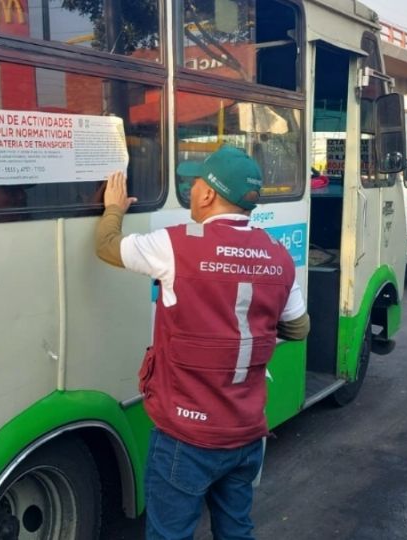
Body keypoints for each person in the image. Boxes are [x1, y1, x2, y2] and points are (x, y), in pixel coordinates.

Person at [94, 145, 310, 539]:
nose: (191, 191)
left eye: (193, 184)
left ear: (209, 194)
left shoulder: (176, 245)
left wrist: (113, 209)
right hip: (246, 434)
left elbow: (107, 246)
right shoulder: (279, 257)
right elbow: (298, 329)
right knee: (236, 530)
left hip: (186, 436)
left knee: (170, 534)